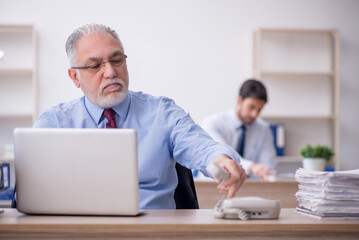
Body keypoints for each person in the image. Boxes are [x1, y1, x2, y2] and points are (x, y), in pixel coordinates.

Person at [32, 23, 246, 210]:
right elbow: (31, 190)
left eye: (116, 60)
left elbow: (202, 147)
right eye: (96, 65)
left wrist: (221, 160)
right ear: (74, 77)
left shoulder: (162, 113)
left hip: (154, 233)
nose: (110, 72)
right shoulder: (54, 123)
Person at [201, 79, 276, 181]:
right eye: (251, 107)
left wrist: (261, 170)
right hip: (213, 188)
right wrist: (252, 167)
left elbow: (268, 167)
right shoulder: (213, 123)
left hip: (249, 189)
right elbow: (221, 157)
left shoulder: (264, 130)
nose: (255, 114)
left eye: (259, 109)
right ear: (240, 100)